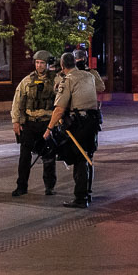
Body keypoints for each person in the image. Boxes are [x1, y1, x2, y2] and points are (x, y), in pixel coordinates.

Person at [49, 51, 101, 208]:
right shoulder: (90, 76)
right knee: (87, 157)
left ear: (63, 65)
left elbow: (59, 108)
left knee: (79, 159)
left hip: (78, 124)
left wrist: (49, 128)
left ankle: (80, 197)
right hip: (92, 122)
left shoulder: (68, 80)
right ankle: (87, 192)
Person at [11, 50, 58, 197]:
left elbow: (62, 100)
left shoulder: (56, 81)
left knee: (49, 156)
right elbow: (17, 101)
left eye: (42, 63)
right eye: (37, 62)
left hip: (47, 123)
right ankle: (21, 186)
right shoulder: (27, 81)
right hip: (30, 124)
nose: (39, 65)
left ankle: (49, 186)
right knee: (24, 156)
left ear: (48, 64)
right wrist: (16, 121)